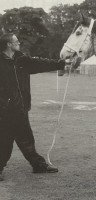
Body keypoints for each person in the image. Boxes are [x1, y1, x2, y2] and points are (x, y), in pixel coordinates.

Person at [0, 33, 68, 181]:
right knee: (5, 140)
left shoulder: (22, 59)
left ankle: (38, 165)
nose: (19, 43)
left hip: (21, 109)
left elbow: (40, 63)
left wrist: (60, 64)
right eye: (16, 41)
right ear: (8, 44)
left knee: (26, 139)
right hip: (4, 111)